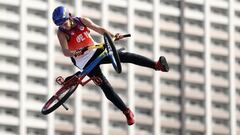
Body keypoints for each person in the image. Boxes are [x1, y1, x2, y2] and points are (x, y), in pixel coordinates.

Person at [52, 6, 169, 126]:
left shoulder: (81, 20)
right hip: (83, 61)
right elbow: (65, 51)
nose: (63, 26)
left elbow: (99, 29)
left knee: (124, 56)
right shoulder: (61, 33)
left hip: (95, 50)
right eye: (60, 24)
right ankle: (126, 112)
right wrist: (75, 52)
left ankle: (156, 65)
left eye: (64, 22)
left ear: (69, 16)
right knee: (105, 86)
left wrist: (113, 36)